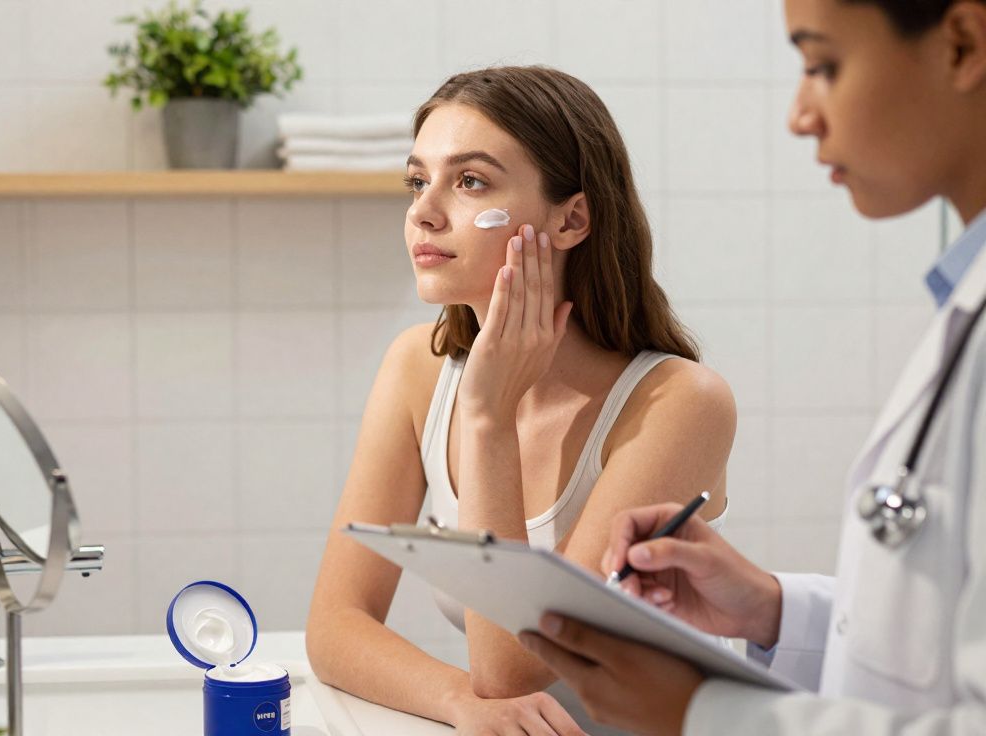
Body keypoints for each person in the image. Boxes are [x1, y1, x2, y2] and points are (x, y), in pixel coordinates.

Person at [517, 1, 986, 734]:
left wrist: (708, 715)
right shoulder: (966, 303)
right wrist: (772, 608)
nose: (801, 116)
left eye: (823, 65)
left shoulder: (676, 395)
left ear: (961, 45)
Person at [306, 65, 735, 735]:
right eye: (418, 180)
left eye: (470, 181)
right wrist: (456, 700)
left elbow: (512, 668)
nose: (425, 209)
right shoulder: (415, 369)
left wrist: (488, 417)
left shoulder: (679, 403)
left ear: (572, 219)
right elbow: (334, 628)